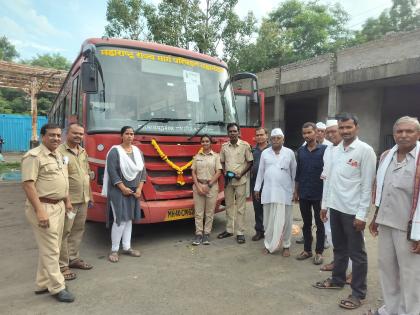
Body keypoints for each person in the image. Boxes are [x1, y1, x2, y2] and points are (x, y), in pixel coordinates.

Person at [313, 113, 376, 311]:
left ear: (356, 128)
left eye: (349, 127)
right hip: (335, 208)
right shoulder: (335, 150)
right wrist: (325, 205)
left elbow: (367, 186)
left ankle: (358, 293)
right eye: (342, 127)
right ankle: (337, 279)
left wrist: (361, 215)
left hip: (352, 212)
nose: (345, 131)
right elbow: (329, 181)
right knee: (339, 248)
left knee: (357, 254)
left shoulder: (365, 151)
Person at [364, 116, 420, 315]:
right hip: (386, 222)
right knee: (387, 269)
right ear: (394, 134)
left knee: (411, 273)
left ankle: (411, 311)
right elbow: (381, 189)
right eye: (399, 131)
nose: (403, 135)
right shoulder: (386, 155)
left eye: (409, 131)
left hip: (410, 228)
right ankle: (391, 308)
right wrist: (376, 216)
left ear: (418, 134)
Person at [21, 123, 75, 302]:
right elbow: (28, 185)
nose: (56, 139)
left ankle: (42, 283)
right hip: (44, 207)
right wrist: (40, 211)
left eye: (59, 135)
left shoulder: (58, 154)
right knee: (52, 249)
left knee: (52, 247)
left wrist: (66, 201)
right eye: (52, 135)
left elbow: (62, 180)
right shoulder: (33, 156)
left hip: (58, 206)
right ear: (43, 136)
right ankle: (57, 287)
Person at [102, 126, 147, 263]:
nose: (130, 136)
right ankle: (114, 250)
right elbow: (112, 172)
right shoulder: (115, 152)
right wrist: (122, 188)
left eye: (132, 134)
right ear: (121, 135)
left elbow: (142, 172)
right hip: (118, 191)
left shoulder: (138, 151)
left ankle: (127, 247)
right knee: (120, 219)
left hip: (134, 191)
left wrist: (139, 189)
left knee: (129, 219)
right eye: (127, 134)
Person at [58, 123, 93, 281]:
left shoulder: (83, 151)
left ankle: (74, 259)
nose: (78, 136)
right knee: (65, 232)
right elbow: (59, 179)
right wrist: (66, 200)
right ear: (67, 134)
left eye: (81, 134)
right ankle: (62, 266)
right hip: (69, 201)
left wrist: (90, 196)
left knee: (78, 231)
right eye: (75, 133)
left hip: (83, 199)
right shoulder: (59, 152)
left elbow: (86, 175)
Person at [320, 119, 353, 283]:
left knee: (352, 240)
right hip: (331, 201)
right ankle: (338, 263)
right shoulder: (328, 150)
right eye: (329, 132)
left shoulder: (354, 150)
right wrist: (323, 205)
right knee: (333, 236)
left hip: (348, 204)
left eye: (335, 130)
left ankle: (355, 272)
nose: (331, 134)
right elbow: (326, 179)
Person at [254, 128, 296, 256]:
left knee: (287, 221)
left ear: (283, 139)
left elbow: (294, 173)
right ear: (270, 140)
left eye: (279, 138)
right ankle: (268, 244)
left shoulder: (289, 153)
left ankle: (286, 245)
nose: (276, 140)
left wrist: (295, 190)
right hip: (268, 192)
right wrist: (257, 188)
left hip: (285, 192)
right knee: (268, 221)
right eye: (273, 138)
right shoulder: (265, 153)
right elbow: (260, 172)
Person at [295, 122, 327, 265]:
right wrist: (296, 191)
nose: (307, 135)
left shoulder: (325, 150)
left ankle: (319, 252)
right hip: (304, 193)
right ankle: (307, 250)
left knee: (320, 224)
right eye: (304, 133)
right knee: (306, 223)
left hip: (320, 194)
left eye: (309, 132)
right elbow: (298, 173)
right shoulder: (301, 151)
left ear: (316, 132)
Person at [217, 122, 253, 244]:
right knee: (229, 206)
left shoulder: (245, 145)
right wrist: (224, 172)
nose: (232, 133)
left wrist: (241, 174)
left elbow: (250, 162)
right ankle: (229, 230)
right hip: (228, 181)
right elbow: (221, 162)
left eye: (234, 131)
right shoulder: (224, 146)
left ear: (238, 132)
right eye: (230, 131)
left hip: (240, 181)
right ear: (227, 133)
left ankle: (240, 232)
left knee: (240, 208)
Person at [191, 134, 222, 245]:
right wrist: (199, 187)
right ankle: (198, 234)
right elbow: (193, 172)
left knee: (209, 212)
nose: (205, 143)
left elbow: (219, 172)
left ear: (210, 143)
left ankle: (207, 234)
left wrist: (208, 186)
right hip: (198, 185)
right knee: (199, 213)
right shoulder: (197, 157)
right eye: (203, 141)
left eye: (207, 141)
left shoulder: (216, 157)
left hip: (211, 187)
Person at [250, 127, 269, 241]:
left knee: (269, 208)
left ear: (267, 136)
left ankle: (269, 231)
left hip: (270, 184)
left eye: (262, 135)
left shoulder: (272, 149)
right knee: (257, 208)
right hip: (256, 183)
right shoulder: (253, 150)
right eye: (257, 135)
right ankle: (259, 231)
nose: (259, 137)